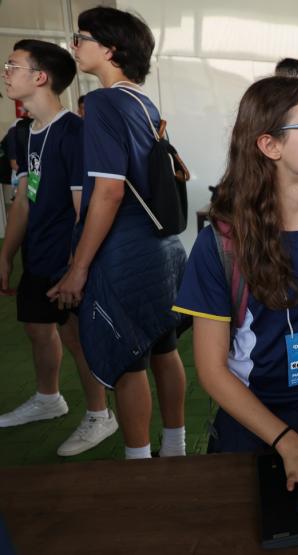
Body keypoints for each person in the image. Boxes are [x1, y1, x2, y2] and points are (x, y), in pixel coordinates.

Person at [172, 75, 298, 506]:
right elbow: (211, 370)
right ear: (270, 145)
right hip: (254, 425)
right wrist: (287, 443)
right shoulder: (222, 245)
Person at [51, 7, 188, 459]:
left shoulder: (106, 103)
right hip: (161, 249)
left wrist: (78, 268)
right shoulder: (141, 102)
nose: (75, 45)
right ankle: (175, 448)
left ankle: (139, 464)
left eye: (81, 37)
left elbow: (107, 193)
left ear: (109, 50)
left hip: (126, 252)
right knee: (164, 348)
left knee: (129, 363)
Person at [0, 39, 117, 456]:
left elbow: (84, 209)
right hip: (37, 255)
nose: (5, 73)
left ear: (40, 77)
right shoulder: (24, 134)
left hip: (66, 261)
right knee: (37, 328)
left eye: (13, 66)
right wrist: (6, 253)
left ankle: (100, 415)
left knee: (76, 338)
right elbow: (24, 199)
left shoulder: (75, 133)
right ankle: (49, 399)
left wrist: (75, 268)